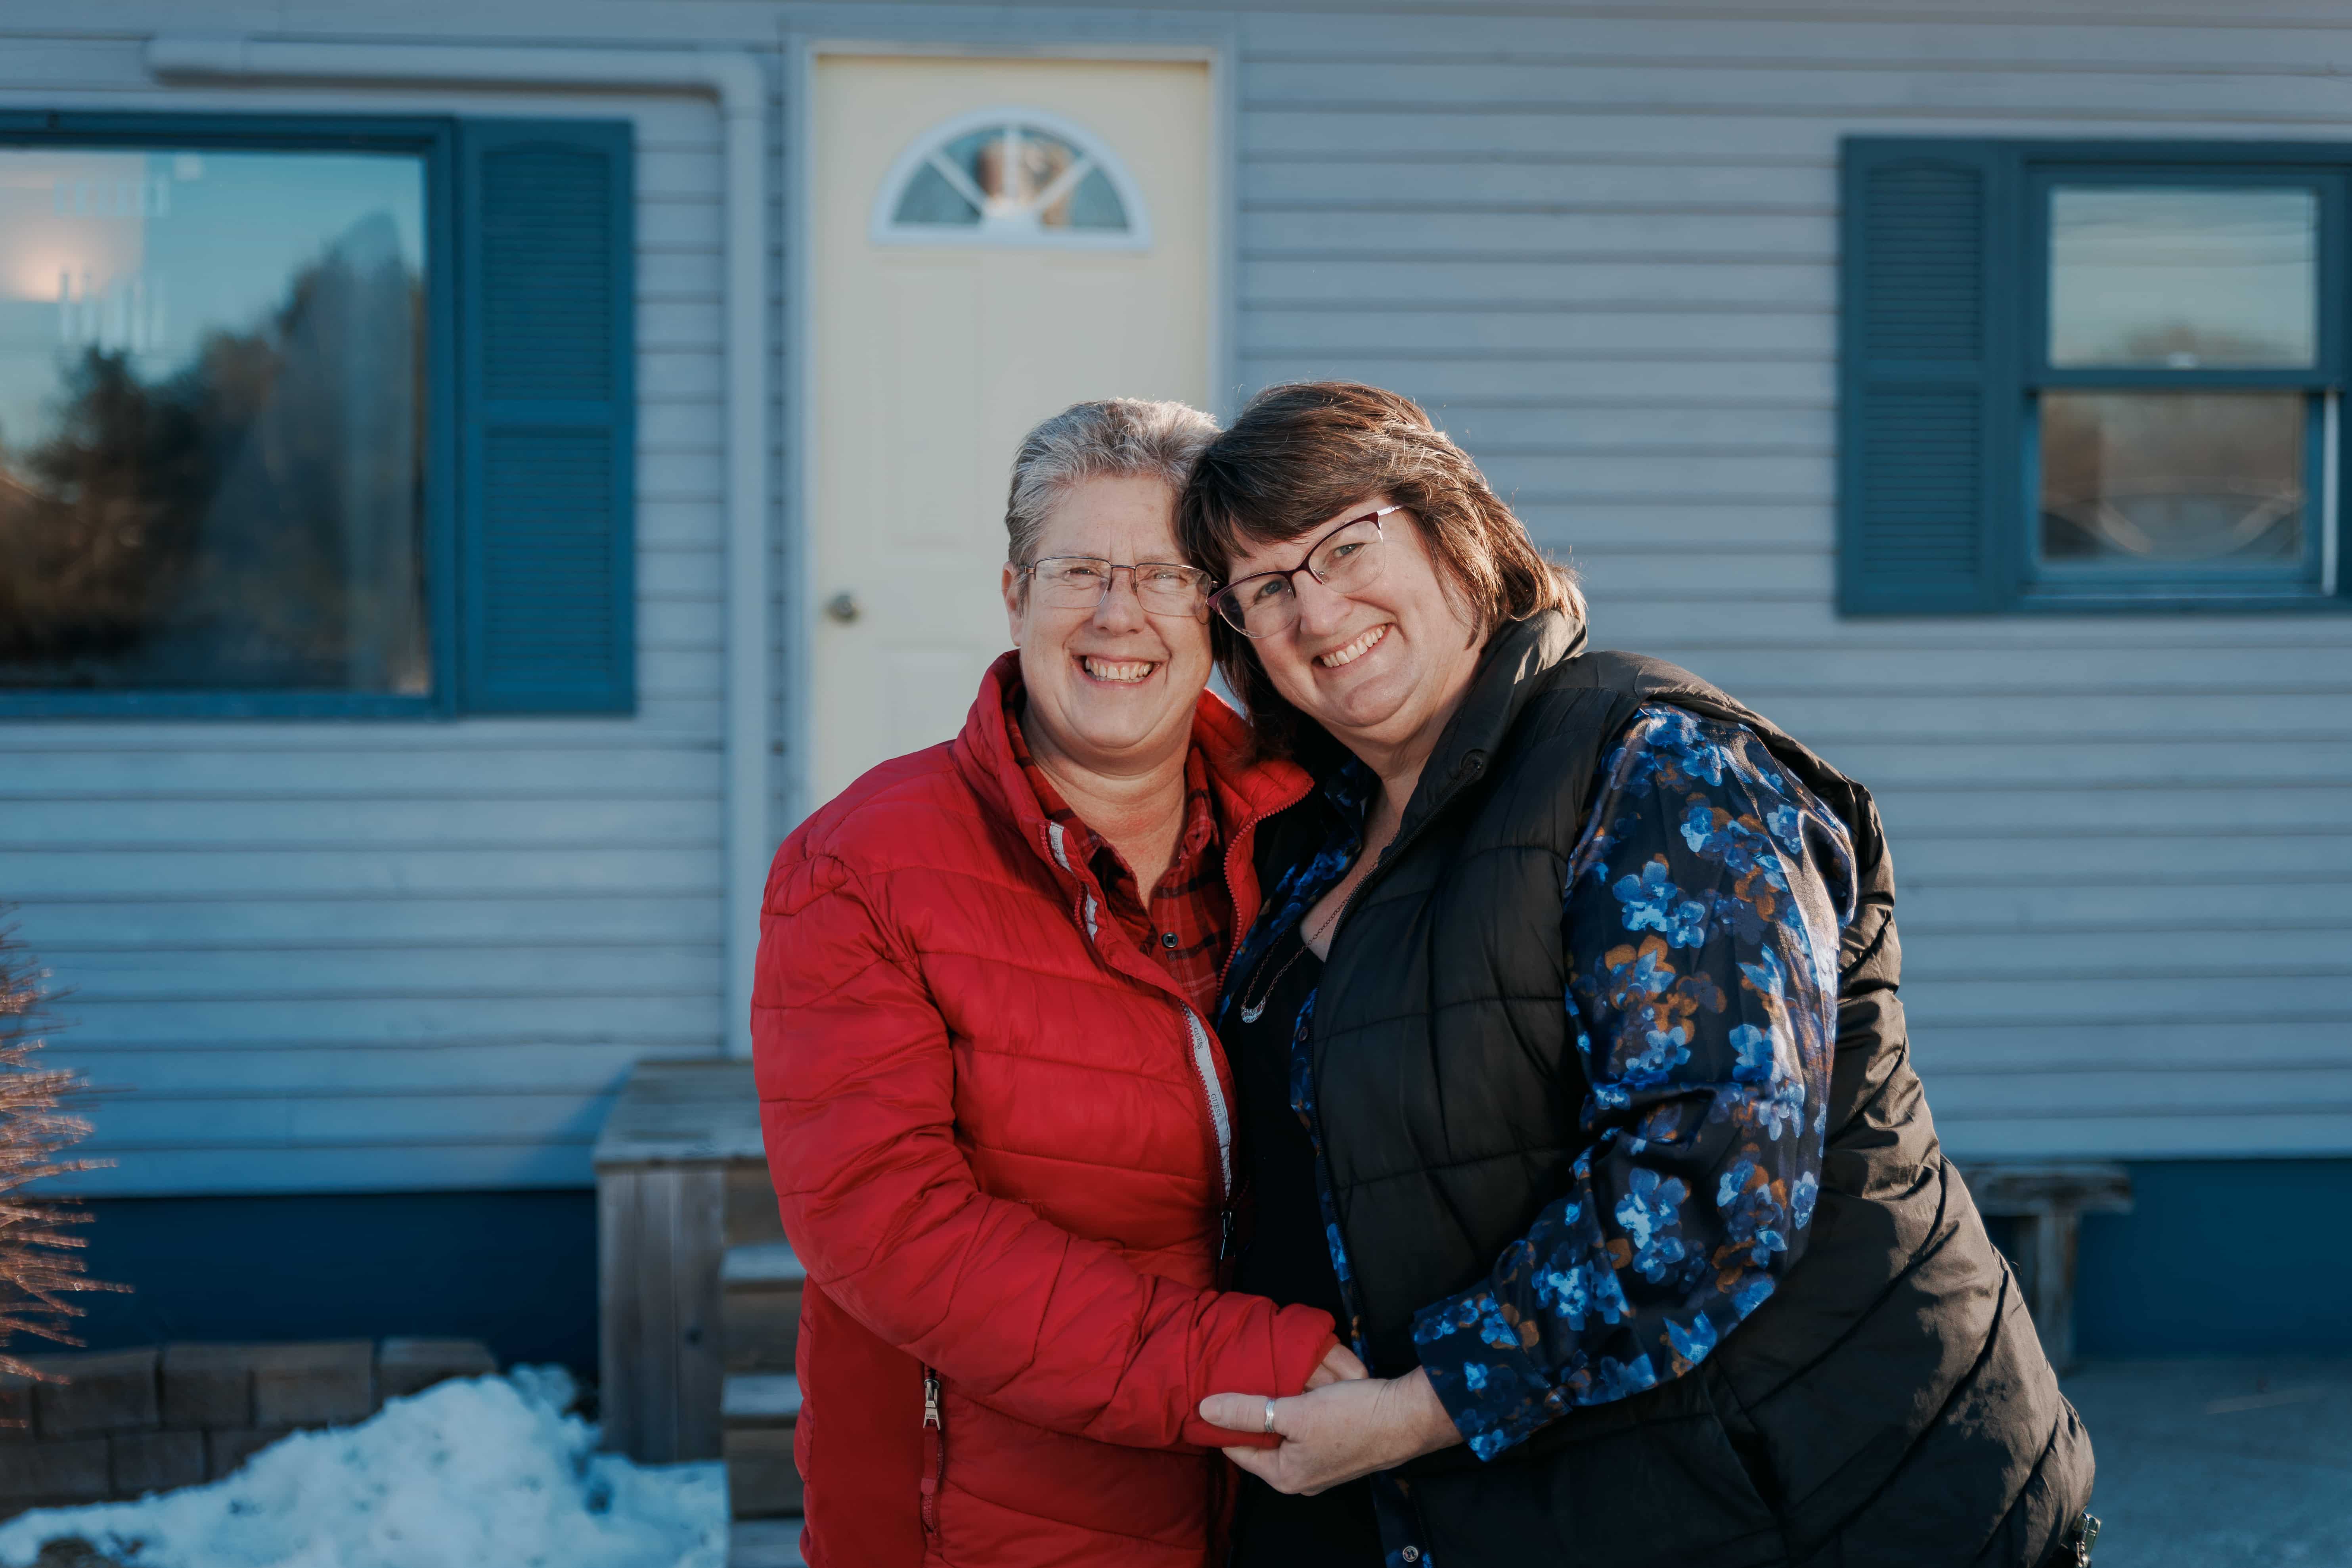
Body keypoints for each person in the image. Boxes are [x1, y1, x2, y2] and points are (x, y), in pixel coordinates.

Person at [1179, 382, 2098, 1567]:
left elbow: (1715, 1179)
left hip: (1817, 1502)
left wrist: (1411, 1414)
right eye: (1266, 586)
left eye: (1346, 543)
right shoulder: (1318, 844)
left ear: (1454, 527)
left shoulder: (1654, 764)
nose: (1316, 607)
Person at [752, 398, 1359, 1568]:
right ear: (1014, 593)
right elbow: (888, 1229)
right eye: (1077, 567)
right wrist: (1234, 1363)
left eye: (1167, 574)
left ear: (1215, 610)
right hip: (985, 1520)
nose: (1118, 613)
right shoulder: (860, 867)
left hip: (1288, 1501)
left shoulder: (1311, 826)